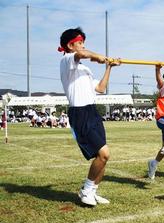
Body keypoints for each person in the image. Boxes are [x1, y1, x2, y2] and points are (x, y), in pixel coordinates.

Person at [59, 27, 120, 206]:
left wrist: (108, 67)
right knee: (104, 154)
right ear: (70, 45)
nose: (83, 46)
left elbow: (100, 88)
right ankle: (86, 190)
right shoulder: (67, 61)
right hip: (80, 113)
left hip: (92, 112)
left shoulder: (85, 70)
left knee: (103, 157)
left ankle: (92, 192)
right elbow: (82, 55)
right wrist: (98, 55)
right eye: (80, 43)